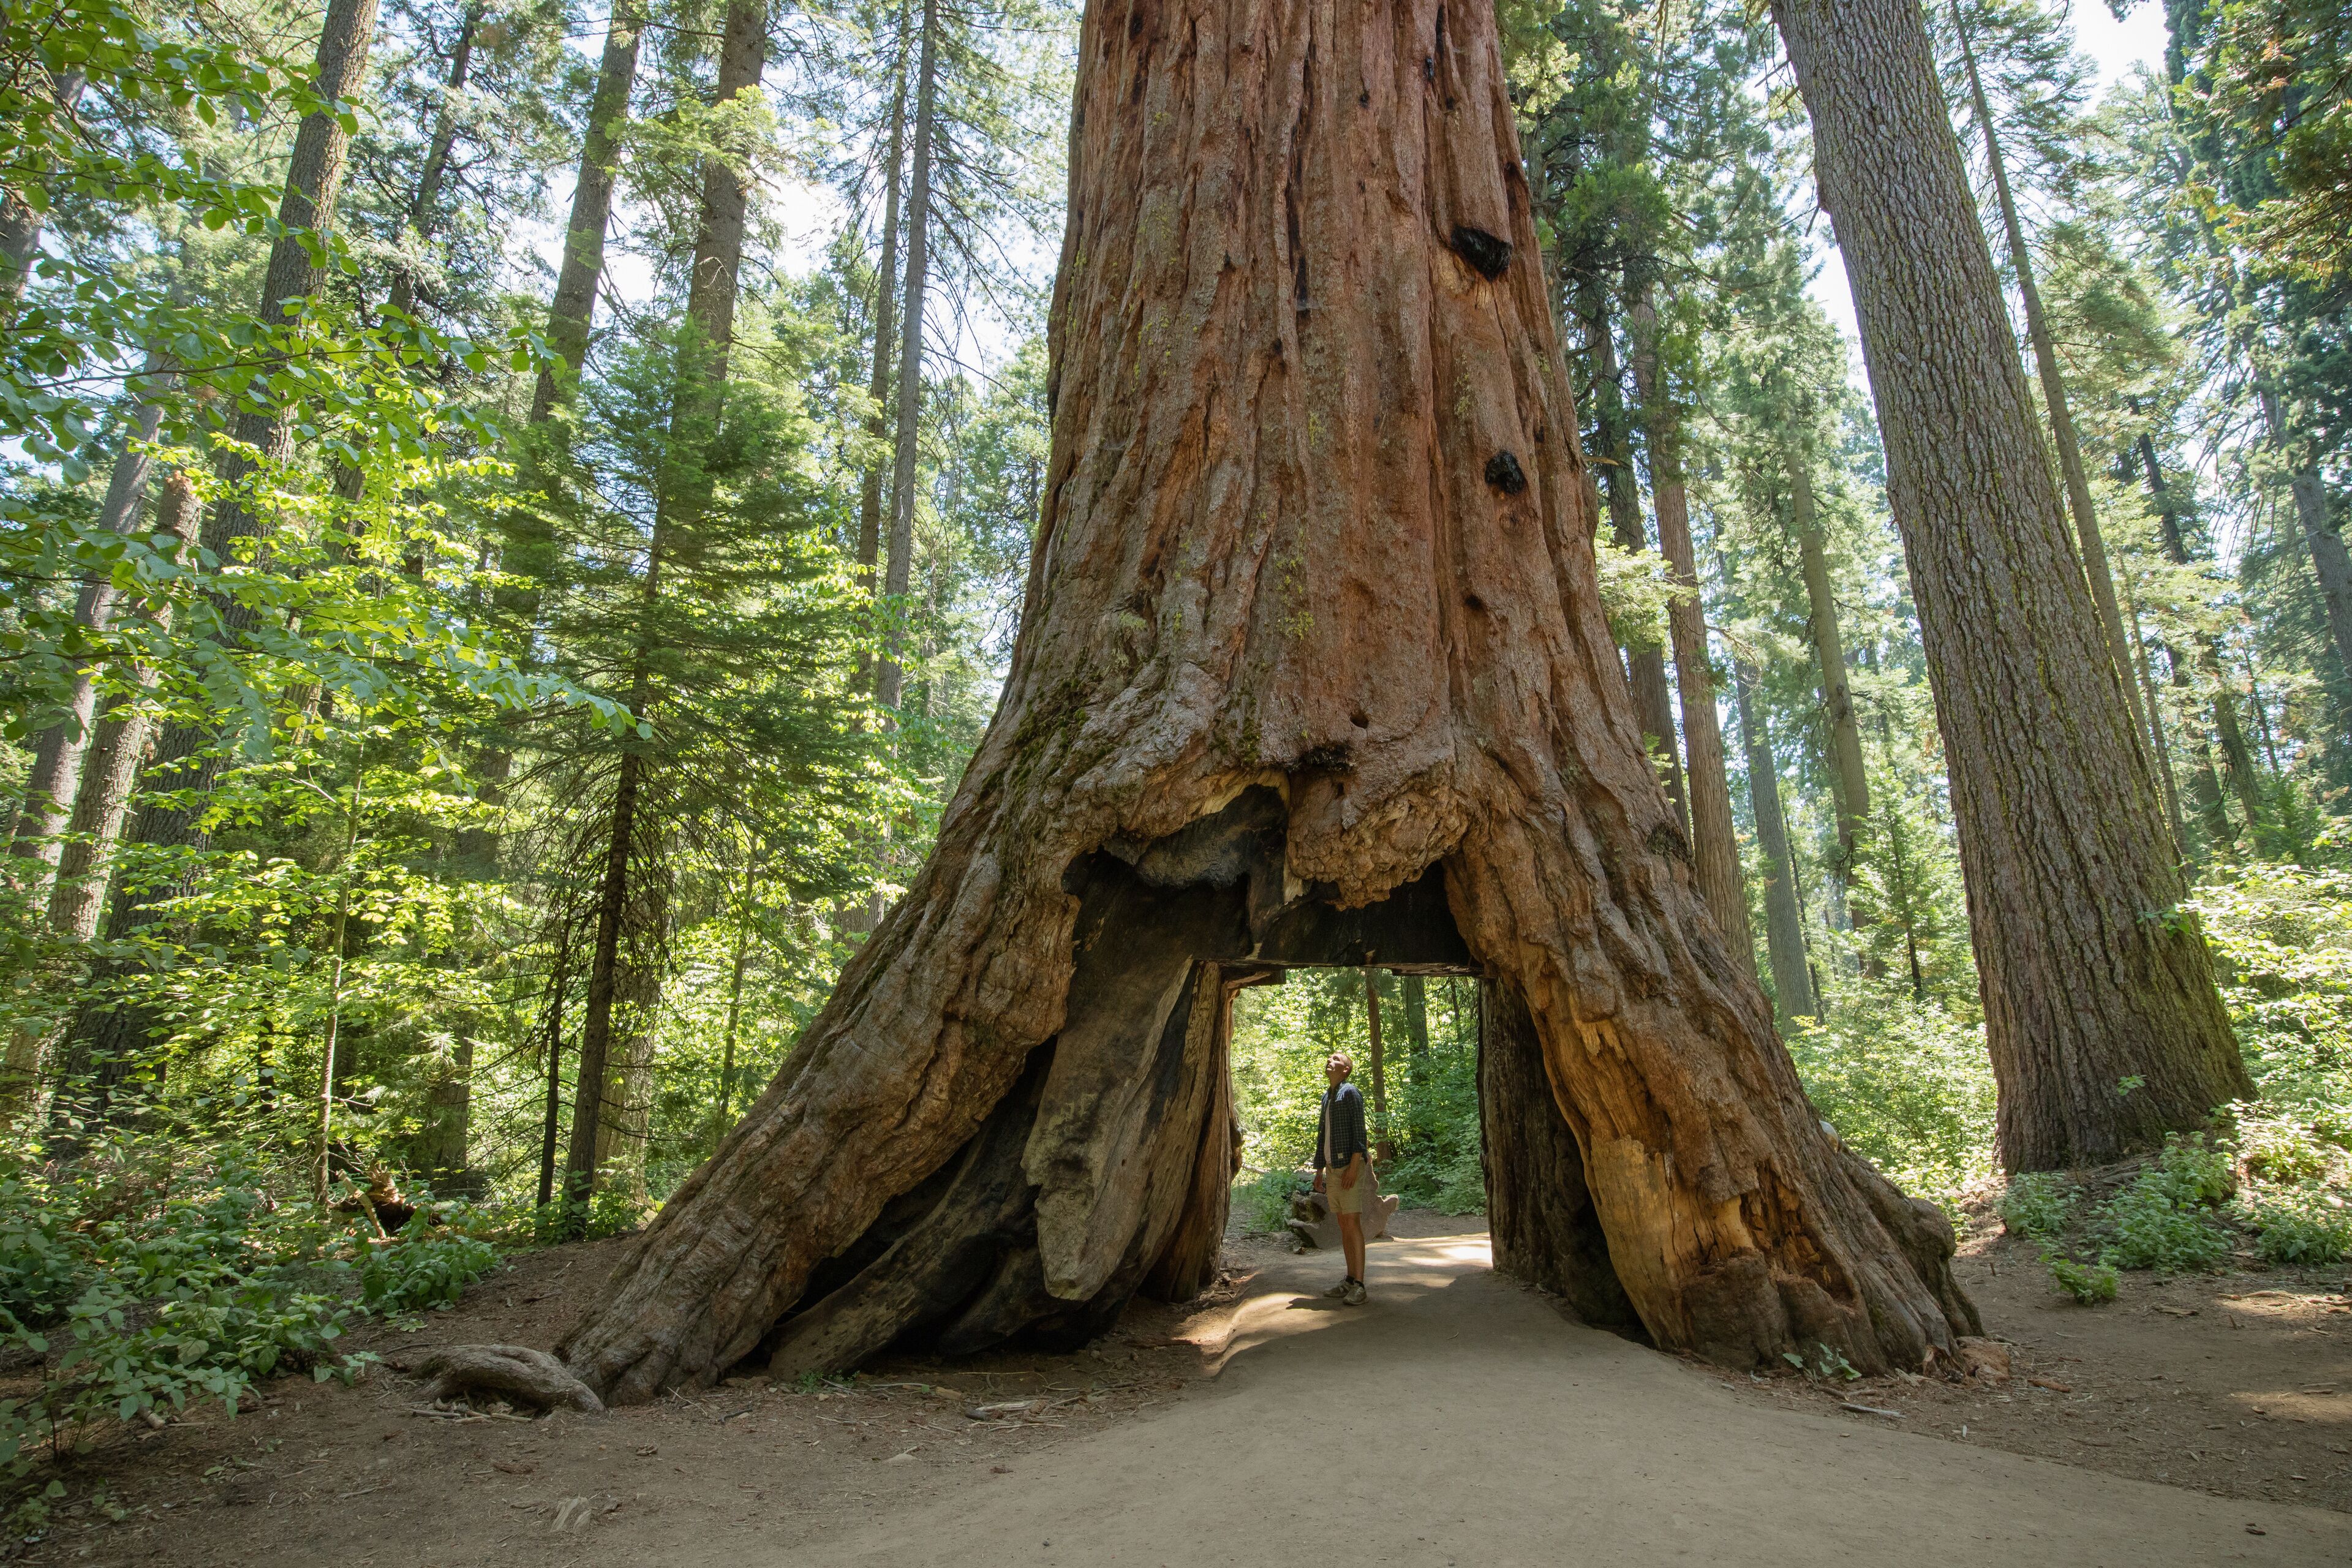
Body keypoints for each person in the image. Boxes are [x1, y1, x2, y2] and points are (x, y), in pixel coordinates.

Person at [1311, 1050, 1371, 1305]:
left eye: (1336, 1060)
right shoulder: (1327, 1096)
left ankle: (1360, 1285)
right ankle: (1349, 1280)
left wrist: (1353, 1167)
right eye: (1329, 1058)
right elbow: (1322, 1136)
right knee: (1343, 1225)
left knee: (1352, 1222)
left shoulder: (1351, 1093)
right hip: (1332, 1168)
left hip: (1349, 1167)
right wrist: (1319, 1171)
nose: (1330, 1061)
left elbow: (1360, 1132)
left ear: (1346, 1069)